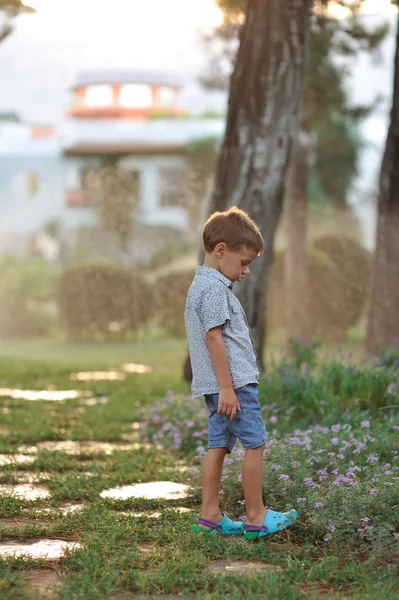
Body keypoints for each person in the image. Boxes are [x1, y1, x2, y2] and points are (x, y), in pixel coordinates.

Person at [184, 207, 298, 539]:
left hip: (217, 386)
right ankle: (256, 515)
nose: (246, 270)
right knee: (256, 444)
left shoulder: (199, 287)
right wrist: (228, 388)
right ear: (221, 251)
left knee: (218, 444)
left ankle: (210, 515)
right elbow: (214, 337)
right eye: (243, 262)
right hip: (232, 385)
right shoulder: (215, 290)